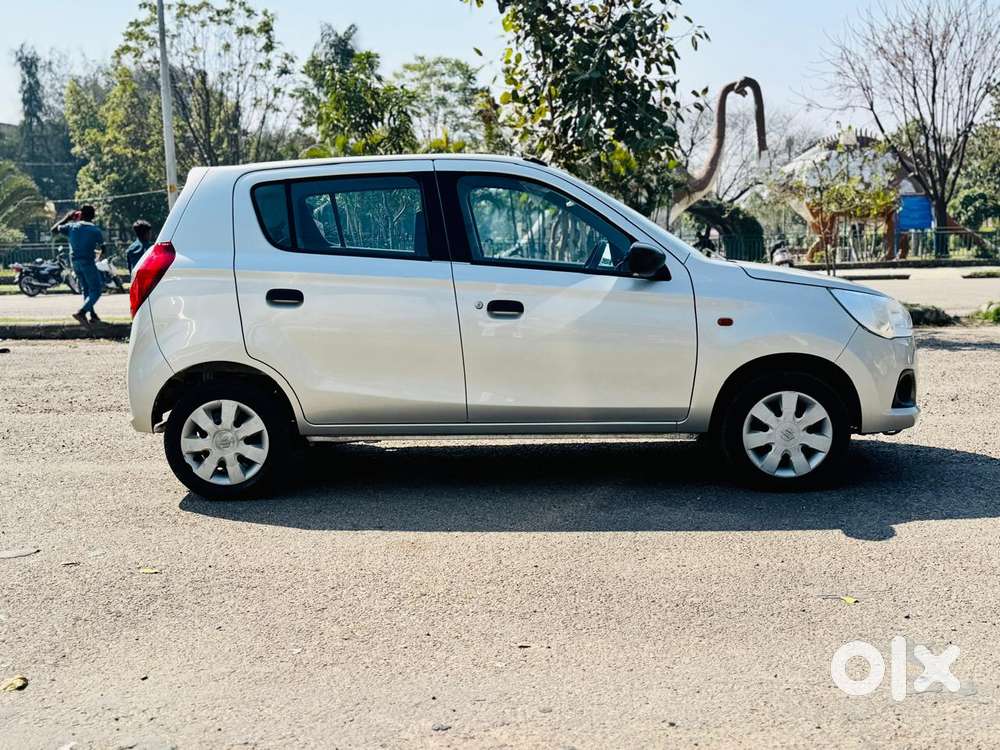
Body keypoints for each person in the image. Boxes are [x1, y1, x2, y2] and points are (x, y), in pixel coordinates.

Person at [51, 204, 106, 326]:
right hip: (88, 262)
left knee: (86, 289)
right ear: (93, 216)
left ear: (80, 214)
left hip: (75, 263)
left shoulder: (71, 227)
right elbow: (103, 248)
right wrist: (99, 256)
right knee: (96, 290)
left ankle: (92, 315)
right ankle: (81, 312)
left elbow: (54, 230)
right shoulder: (95, 230)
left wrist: (67, 217)